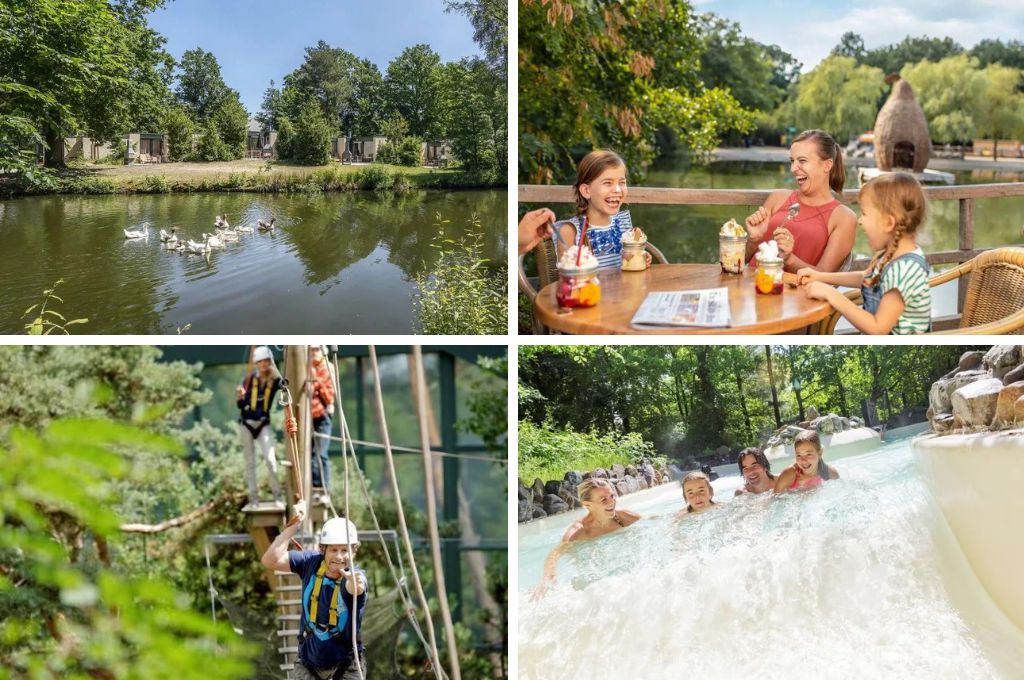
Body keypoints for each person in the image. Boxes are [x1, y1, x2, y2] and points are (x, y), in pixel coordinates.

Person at [799, 172, 931, 334]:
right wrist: (820, 276)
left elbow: (878, 328)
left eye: (865, 213)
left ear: (888, 222)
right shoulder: (889, 256)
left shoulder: (903, 270)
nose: (860, 220)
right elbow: (866, 278)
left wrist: (832, 294)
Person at [262, 513, 368, 680]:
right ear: (322, 549)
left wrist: (356, 585)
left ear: (353, 552)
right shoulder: (310, 562)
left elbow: (356, 588)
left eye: (344, 550)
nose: (339, 557)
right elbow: (270, 560)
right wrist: (293, 524)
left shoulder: (355, 576)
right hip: (308, 661)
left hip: (346, 664)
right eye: (334, 550)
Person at [744, 129, 857, 272]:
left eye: (802, 161)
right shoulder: (777, 198)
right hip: (750, 288)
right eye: (792, 161)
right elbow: (744, 260)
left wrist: (789, 260)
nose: (793, 168)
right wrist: (754, 241)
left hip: (797, 293)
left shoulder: (844, 218)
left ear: (827, 165)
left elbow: (825, 277)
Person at [555, 149, 651, 269]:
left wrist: (637, 258)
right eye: (607, 183)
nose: (617, 189)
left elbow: (626, 262)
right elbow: (568, 280)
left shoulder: (623, 224)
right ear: (586, 191)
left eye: (622, 182)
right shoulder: (570, 231)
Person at [540, 478, 640, 587]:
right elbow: (556, 553)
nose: (612, 502)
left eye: (612, 496)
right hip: (593, 580)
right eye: (604, 500)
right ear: (588, 505)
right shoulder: (578, 532)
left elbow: (649, 522)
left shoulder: (621, 518)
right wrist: (548, 575)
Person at [237, 345, 284, 509]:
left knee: (271, 460)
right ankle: (254, 499)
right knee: (250, 463)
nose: (263, 365)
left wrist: (275, 369)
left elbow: (285, 383)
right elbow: (241, 405)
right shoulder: (249, 380)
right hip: (247, 424)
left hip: (263, 423)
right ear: (256, 363)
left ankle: (278, 496)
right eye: (260, 362)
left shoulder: (275, 380)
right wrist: (240, 396)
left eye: (266, 361)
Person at [308, 346, 336, 502]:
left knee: (320, 454)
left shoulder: (328, 368)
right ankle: (315, 490)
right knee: (310, 456)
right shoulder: (306, 368)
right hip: (308, 417)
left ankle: (324, 491)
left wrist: (317, 382)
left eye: (316, 350)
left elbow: (330, 397)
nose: (314, 353)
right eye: (311, 350)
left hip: (322, 416)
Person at [773, 430, 839, 493]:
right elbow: (775, 499)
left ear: (820, 453)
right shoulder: (789, 475)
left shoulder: (830, 474)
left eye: (808, 454)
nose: (803, 460)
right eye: (799, 455)